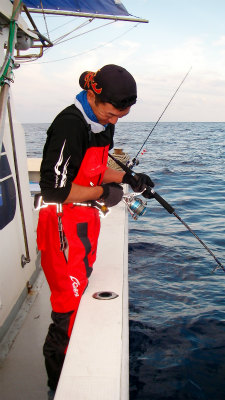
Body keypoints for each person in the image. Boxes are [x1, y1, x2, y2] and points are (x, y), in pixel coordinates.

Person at [37, 64, 154, 396]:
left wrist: (128, 178)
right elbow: (53, 190)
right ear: (92, 95)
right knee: (68, 312)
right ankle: (57, 386)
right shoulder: (68, 125)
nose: (114, 120)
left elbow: (95, 167)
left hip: (84, 225)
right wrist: (104, 194)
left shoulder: (101, 122)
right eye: (112, 113)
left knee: (80, 296)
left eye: (121, 116)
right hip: (61, 228)